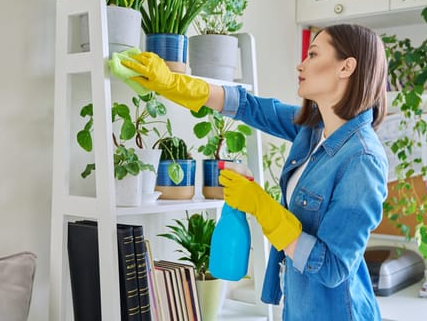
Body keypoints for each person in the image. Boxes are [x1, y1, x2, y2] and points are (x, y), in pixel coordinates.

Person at [122, 23, 389, 320]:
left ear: (346, 67)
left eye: (313, 54)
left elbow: (332, 268)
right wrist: (174, 83)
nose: (301, 64)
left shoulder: (362, 160)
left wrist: (262, 206)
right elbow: (251, 107)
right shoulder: (314, 130)